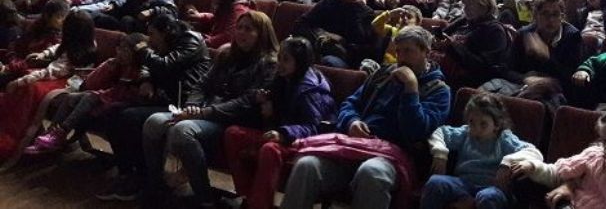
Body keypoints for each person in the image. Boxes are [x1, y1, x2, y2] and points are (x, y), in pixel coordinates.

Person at [279, 26, 451, 209]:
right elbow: (349, 104)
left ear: (426, 52)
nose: (401, 59)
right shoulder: (383, 74)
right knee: (307, 165)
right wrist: (352, 122)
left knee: (371, 172)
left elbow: (416, 131)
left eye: (408, 51)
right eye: (398, 51)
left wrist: (411, 89)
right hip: (355, 145)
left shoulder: (439, 90)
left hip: (394, 156)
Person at [141, 11, 278, 207]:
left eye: (249, 29)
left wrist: (202, 113)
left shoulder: (269, 64)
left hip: (235, 121)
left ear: (262, 33)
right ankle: (157, 186)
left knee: (183, 130)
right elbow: (201, 85)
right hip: (206, 112)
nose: (241, 33)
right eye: (239, 28)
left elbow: (245, 103)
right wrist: (191, 106)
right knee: (154, 122)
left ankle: (204, 199)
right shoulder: (227, 54)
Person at [94, 15, 211, 201]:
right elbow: (151, 67)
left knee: (129, 118)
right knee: (112, 112)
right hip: (166, 98)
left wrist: (143, 50)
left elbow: (165, 64)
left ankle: (144, 177)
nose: (149, 39)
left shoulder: (191, 40)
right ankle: (127, 173)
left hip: (185, 103)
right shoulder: (162, 45)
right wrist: (147, 79)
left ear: (166, 32)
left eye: (152, 34)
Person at [223, 37, 337, 209]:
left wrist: (283, 133)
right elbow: (274, 110)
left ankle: (259, 205)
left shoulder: (310, 90)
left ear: (299, 62)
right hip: (280, 133)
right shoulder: (282, 77)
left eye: (286, 59)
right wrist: (265, 103)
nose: (279, 63)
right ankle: (249, 195)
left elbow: (313, 127)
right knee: (233, 133)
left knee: (270, 149)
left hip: (301, 141)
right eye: (280, 57)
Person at [24, 32, 148, 155]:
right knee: (70, 98)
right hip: (107, 96)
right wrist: (107, 67)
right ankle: (51, 134)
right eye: (119, 48)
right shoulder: (117, 65)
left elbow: (125, 94)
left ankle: (60, 133)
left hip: (122, 102)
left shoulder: (139, 71)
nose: (119, 52)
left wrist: (101, 94)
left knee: (90, 97)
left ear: (135, 54)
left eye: (125, 50)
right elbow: (90, 84)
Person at [421, 93, 543, 209]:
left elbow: (533, 152)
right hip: (463, 184)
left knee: (487, 197)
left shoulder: (504, 139)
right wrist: (440, 154)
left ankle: (472, 201)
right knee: (435, 182)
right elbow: (439, 132)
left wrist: (507, 162)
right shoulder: (465, 133)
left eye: (483, 124)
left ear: (497, 125)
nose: (476, 129)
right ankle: (467, 199)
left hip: (492, 188)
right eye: (471, 122)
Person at [504, 0, 582, 100]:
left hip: (556, 90)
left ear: (562, 17)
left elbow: (571, 78)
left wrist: (548, 58)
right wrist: (525, 79)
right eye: (545, 14)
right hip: (525, 83)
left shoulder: (572, 36)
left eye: (555, 14)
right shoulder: (524, 33)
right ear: (536, 16)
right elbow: (508, 70)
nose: (550, 20)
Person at [294, 0, 377, 69]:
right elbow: (301, 24)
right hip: (318, 48)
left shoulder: (367, 13)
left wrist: (343, 41)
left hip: (346, 58)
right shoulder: (328, 3)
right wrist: (324, 34)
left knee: (328, 61)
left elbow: (368, 48)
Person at [439, 0, 513, 89]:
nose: (464, 8)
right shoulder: (465, 20)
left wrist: (453, 46)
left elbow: (484, 67)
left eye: (470, 4)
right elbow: (443, 33)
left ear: (484, 4)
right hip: (446, 70)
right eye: (464, 4)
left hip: (469, 82)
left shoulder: (495, 31)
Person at [3, 11, 96, 93]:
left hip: (67, 83)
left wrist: (18, 83)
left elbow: (49, 72)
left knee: (30, 87)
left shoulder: (72, 56)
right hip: (60, 74)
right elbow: (58, 47)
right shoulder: (87, 43)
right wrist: (44, 54)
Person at [187, 0, 252, 49]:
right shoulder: (227, 6)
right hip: (212, 41)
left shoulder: (238, 10)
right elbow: (217, 19)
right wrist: (201, 16)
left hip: (224, 49)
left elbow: (228, 37)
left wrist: (203, 42)